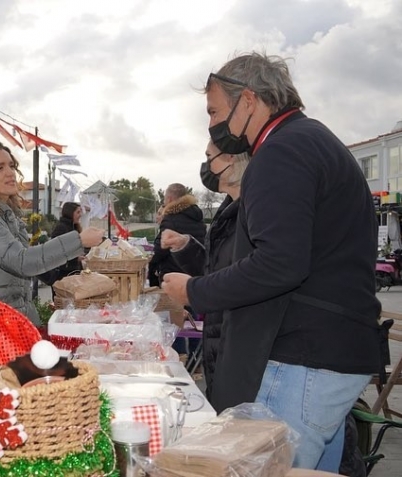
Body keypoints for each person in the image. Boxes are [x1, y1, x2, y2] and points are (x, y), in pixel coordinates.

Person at [161, 52, 384, 471]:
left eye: (214, 111)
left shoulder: (281, 151)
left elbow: (279, 263)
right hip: (332, 355)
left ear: (248, 100)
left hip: (304, 357)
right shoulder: (310, 140)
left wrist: (194, 290)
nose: (211, 123)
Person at [0, 139, 104, 325]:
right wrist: (78, 241)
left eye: (11, 166)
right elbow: (23, 261)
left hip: (9, 320)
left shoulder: (3, 212)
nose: (10, 173)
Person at [160, 141, 249, 400]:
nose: (207, 166)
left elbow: (248, 277)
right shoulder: (228, 207)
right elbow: (214, 267)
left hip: (237, 343)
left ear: (232, 159)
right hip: (220, 341)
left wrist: (193, 290)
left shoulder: (254, 208)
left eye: (210, 157)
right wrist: (186, 246)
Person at [148, 183, 206, 286]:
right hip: (196, 274)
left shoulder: (171, 219)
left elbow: (160, 249)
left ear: (169, 199)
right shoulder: (197, 217)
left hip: (174, 274)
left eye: (164, 200)